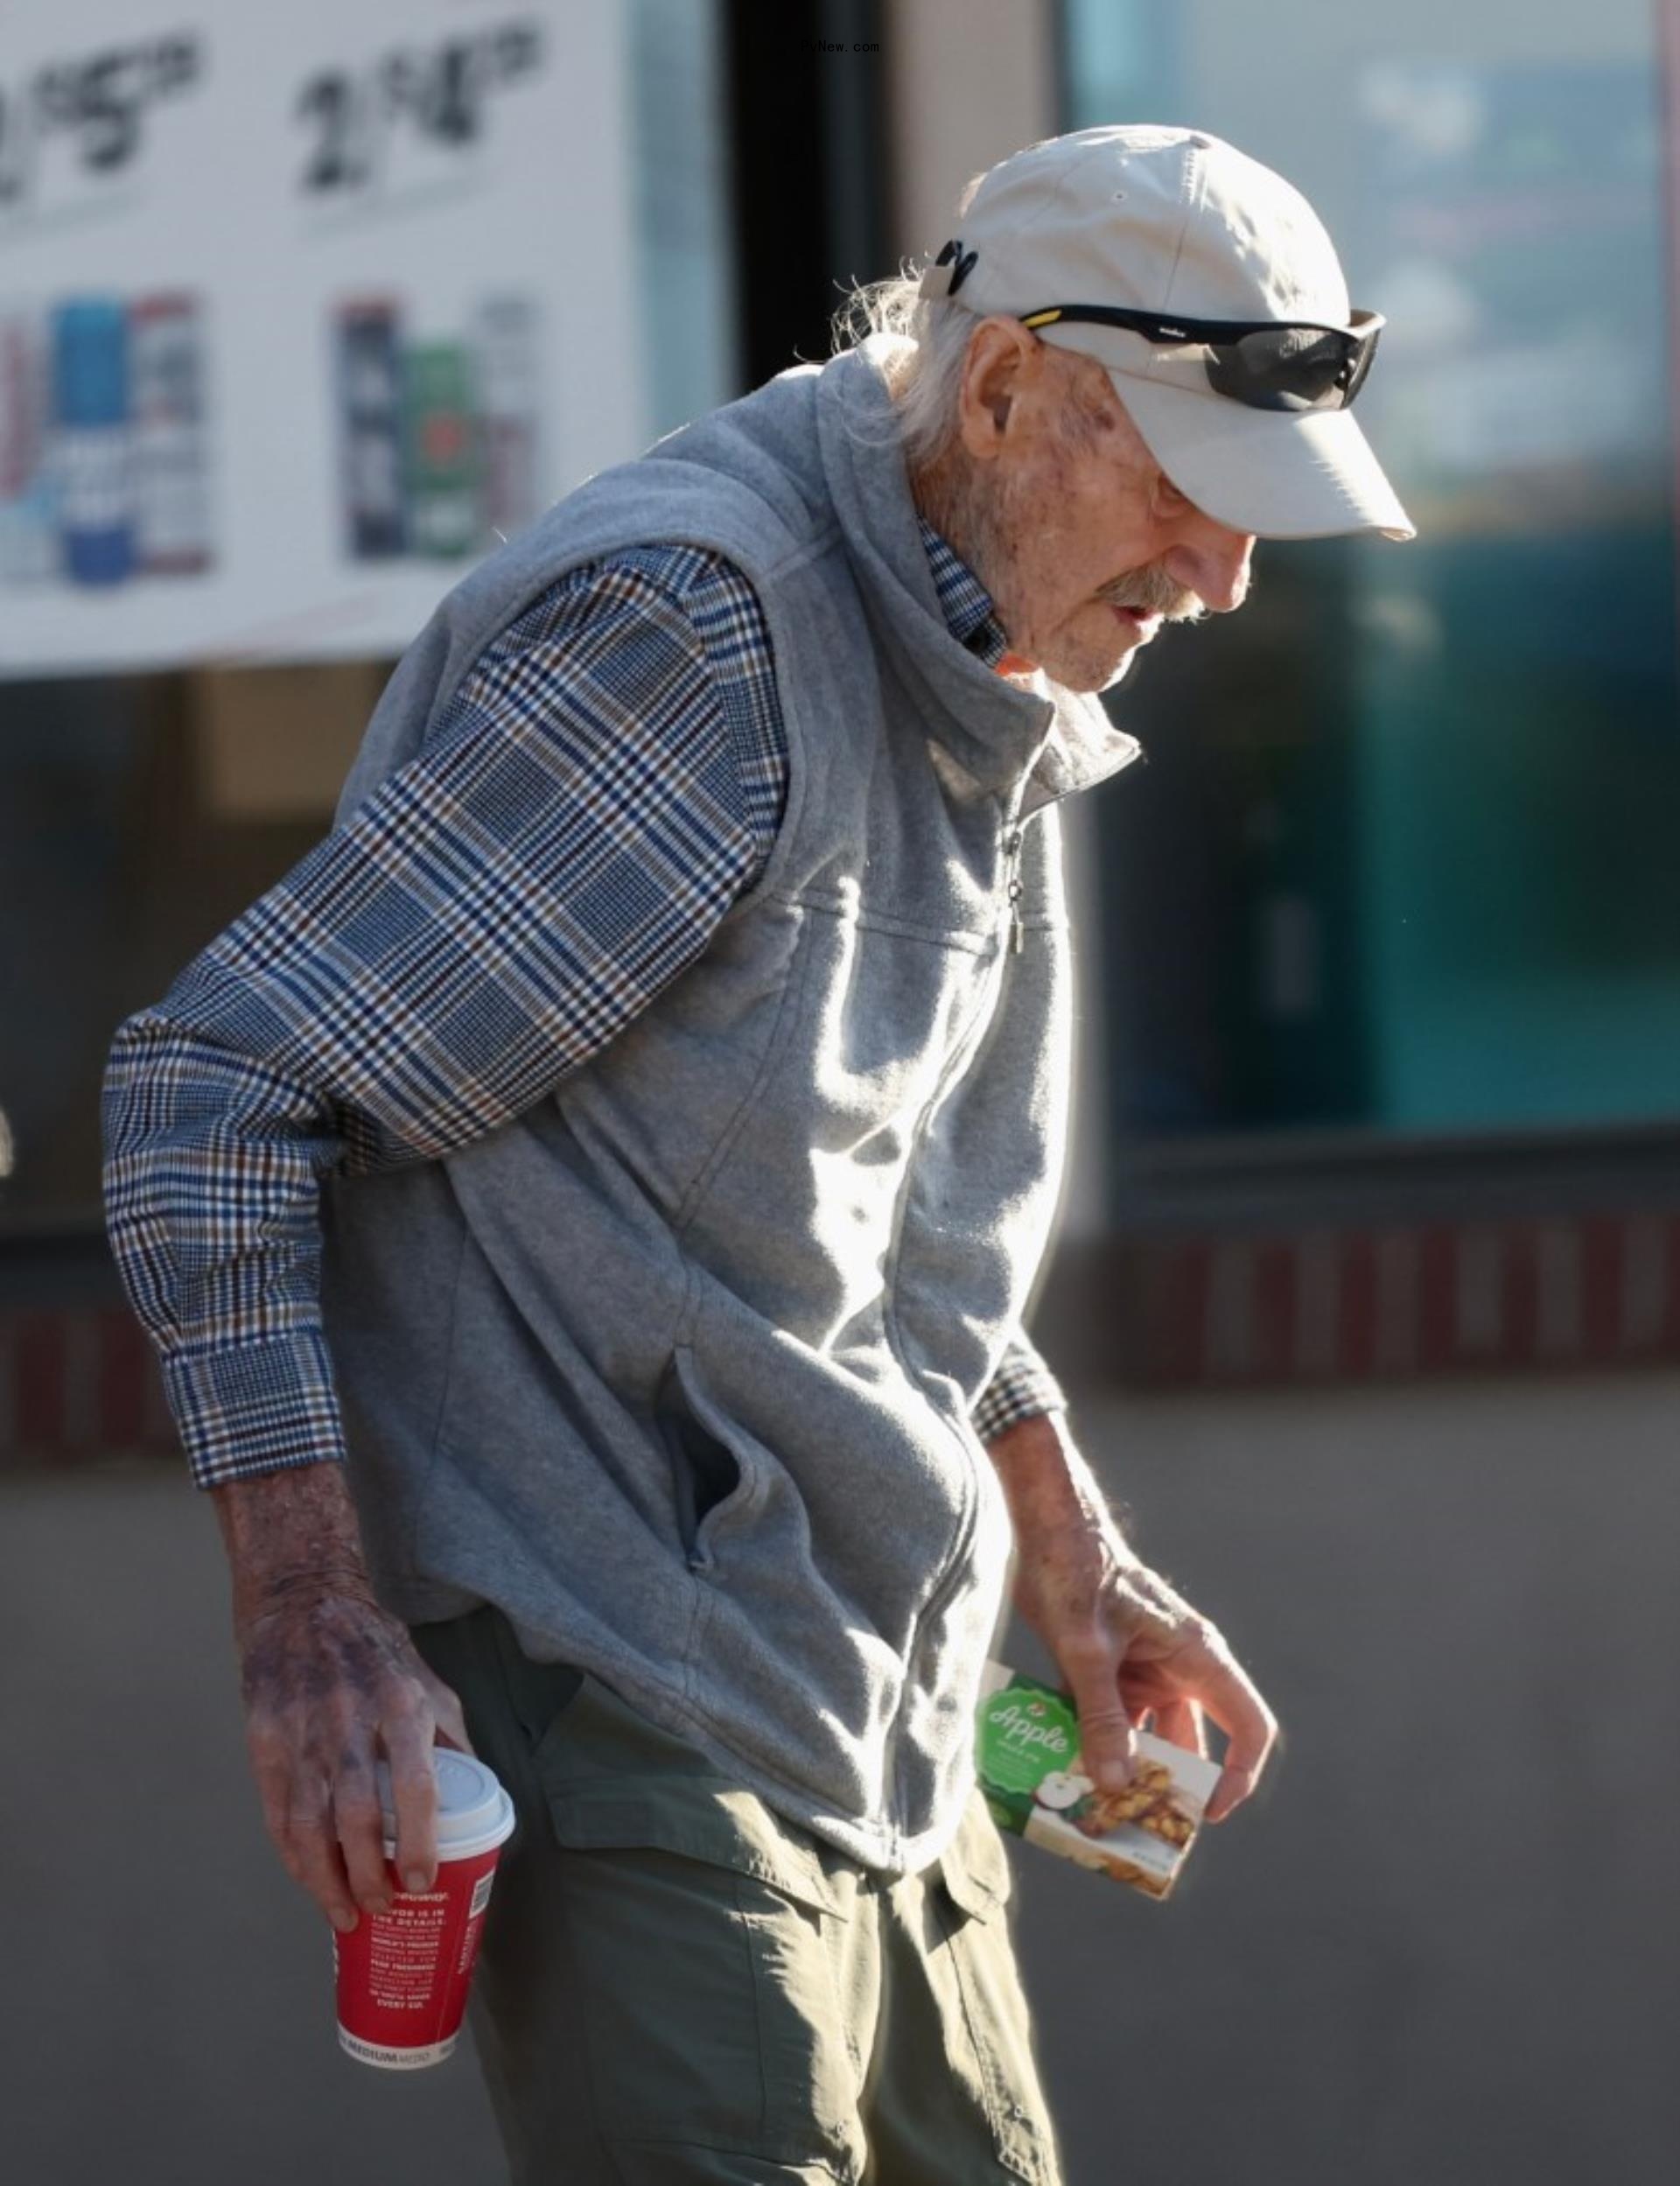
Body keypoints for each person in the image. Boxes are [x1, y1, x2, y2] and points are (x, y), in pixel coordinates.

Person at [102, 124, 1410, 2183]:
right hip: (627, 1692)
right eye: (1189, 491)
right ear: (1002, 395)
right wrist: (312, 1618)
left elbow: (855, 1193)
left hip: (882, 1702)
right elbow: (215, 1099)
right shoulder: (700, 650)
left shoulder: (996, 638)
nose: (1223, 577)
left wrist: (1070, 1546)